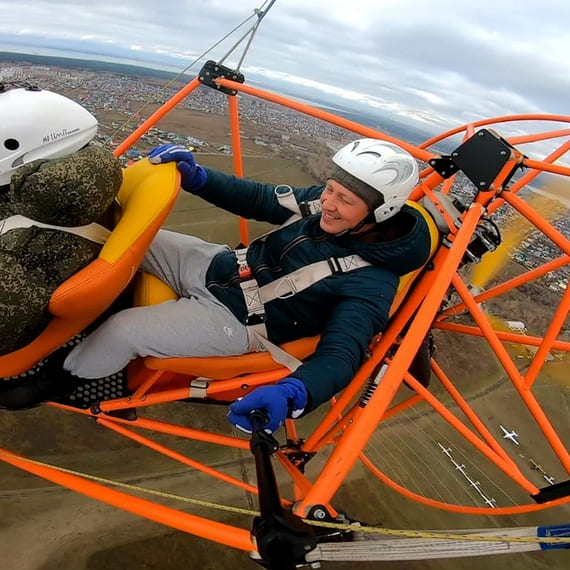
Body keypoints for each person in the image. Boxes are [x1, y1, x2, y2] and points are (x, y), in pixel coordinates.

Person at [9, 138, 433, 432]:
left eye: (345, 200)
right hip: (221, 264)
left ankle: (52, 382)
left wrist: (294, 393)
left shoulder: (371, 282)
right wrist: (200, 179)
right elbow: (264, 199)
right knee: (122, 237)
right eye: (331, 189)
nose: (328, 202)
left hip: (238, 320)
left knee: (126, 331)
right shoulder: (328, 204)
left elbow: (343, 353)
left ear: (381, 210)